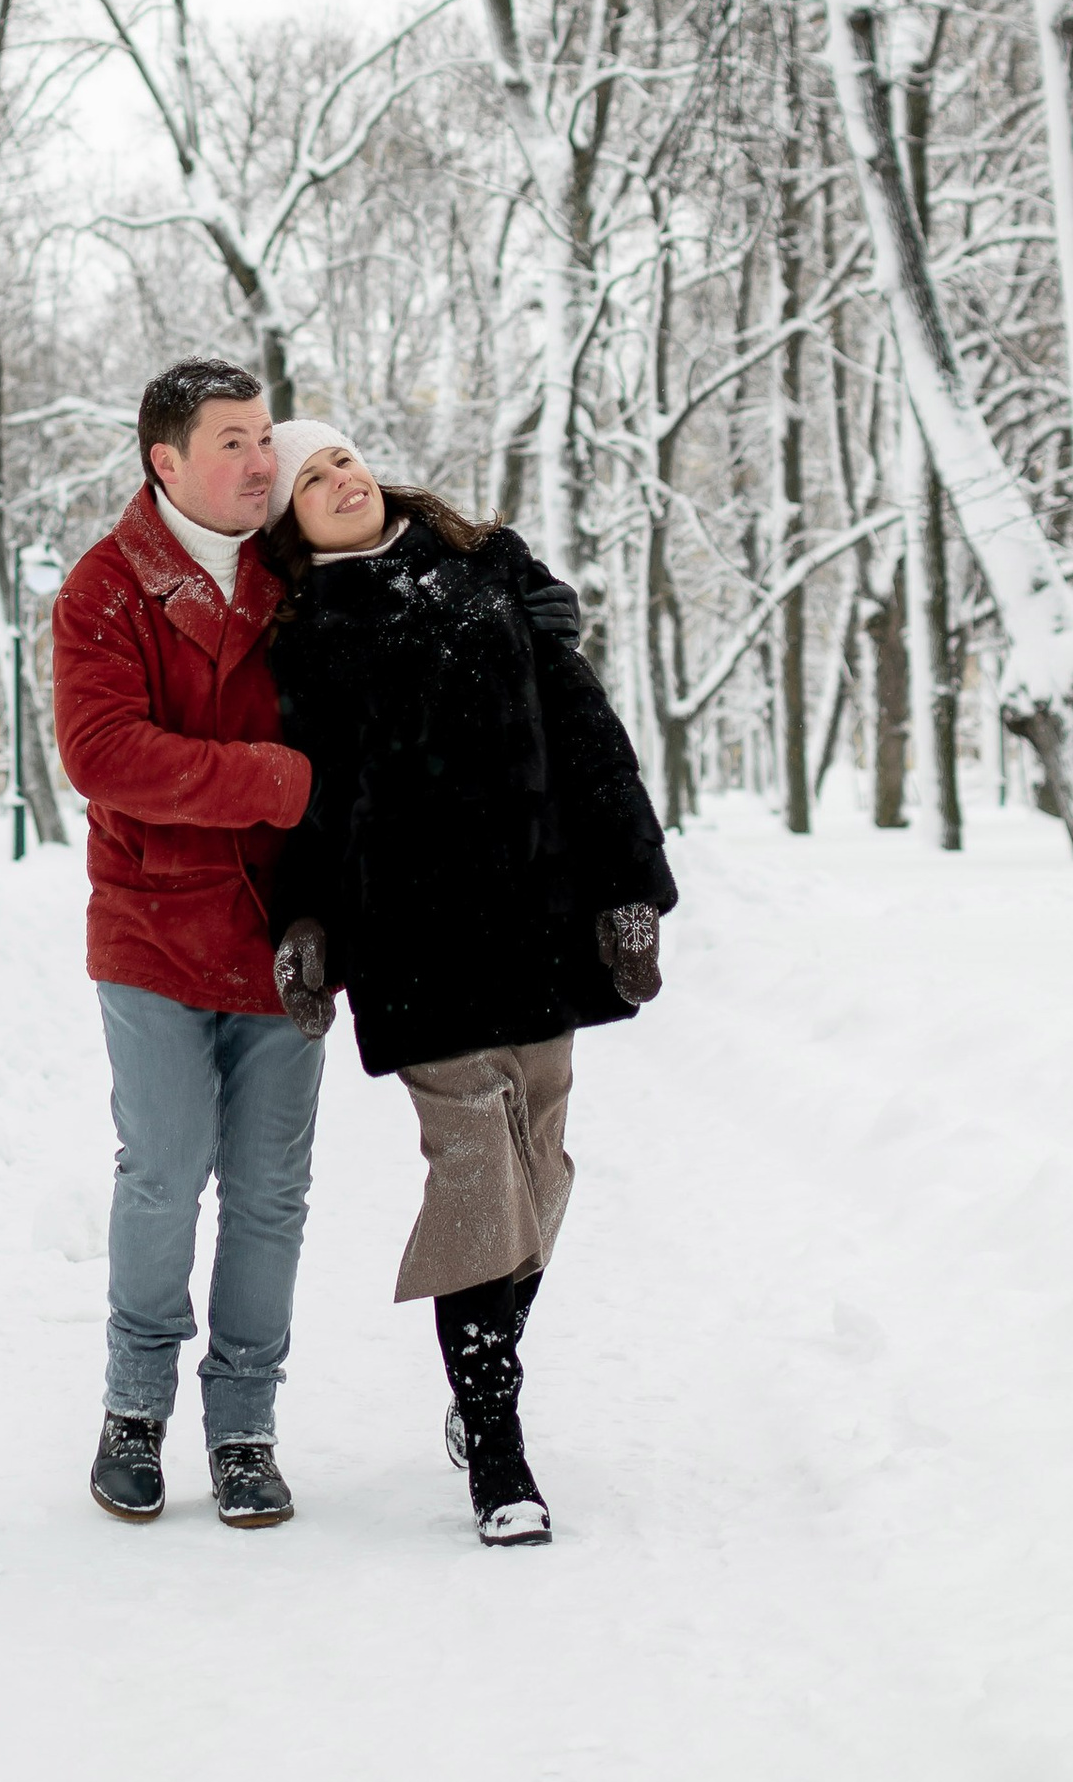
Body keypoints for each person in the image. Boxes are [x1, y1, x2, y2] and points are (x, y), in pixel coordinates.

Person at [259, 422, 675, 1549]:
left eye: (341, 459)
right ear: (288, 522)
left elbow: (589, 732)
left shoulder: (492, 567)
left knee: (539, 1160)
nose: (338, 480)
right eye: (308, 478)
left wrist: (632, 886)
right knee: (476, 1168)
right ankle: (498, 1445)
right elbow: (305, 792)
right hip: (411, 937)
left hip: (538, 913)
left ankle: (480, 1369)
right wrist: (304, 921)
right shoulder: (300, 633)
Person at [50, 359, 323, 1531]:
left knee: (270, 1190)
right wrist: (270, 778)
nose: (262, 460)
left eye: (265, 437)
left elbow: (409, 572)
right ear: (166, 459)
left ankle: (245, 1421)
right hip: (153, 927)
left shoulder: (296, 575)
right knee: (164, 1171)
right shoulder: (105, 588)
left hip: (283, 935)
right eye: (233, 440)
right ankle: (134, 1407)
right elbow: (105, 752)